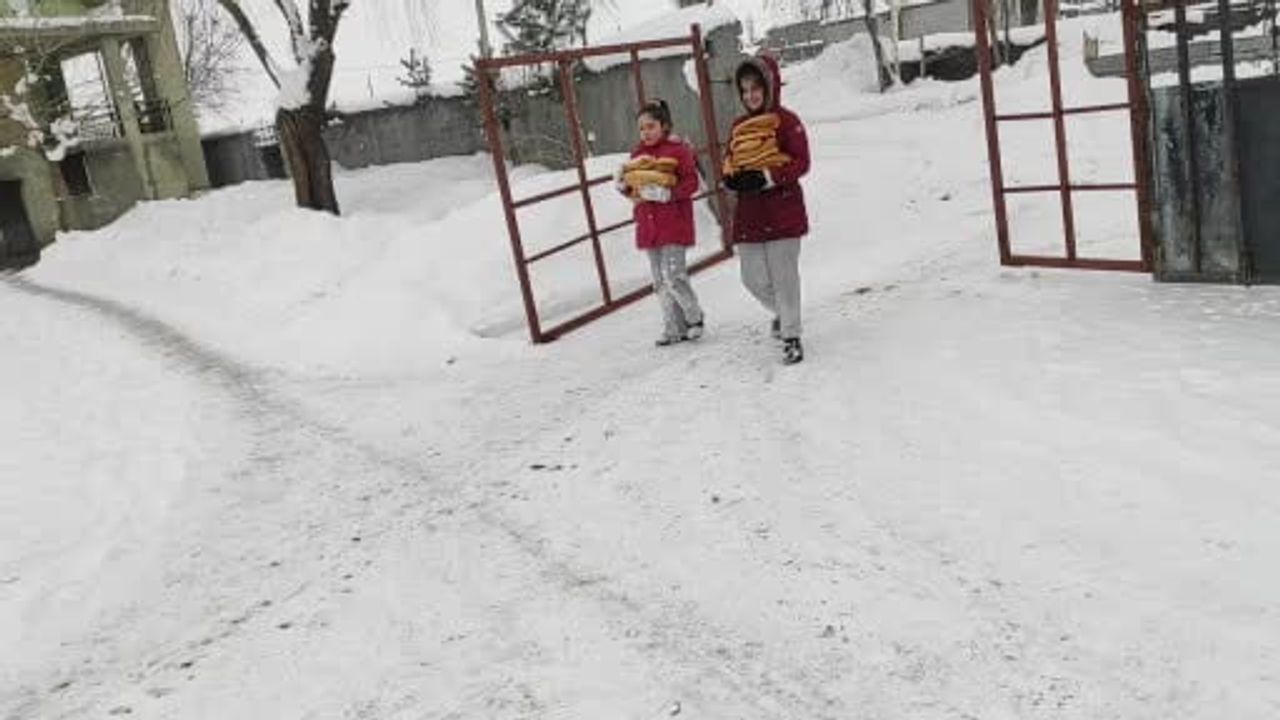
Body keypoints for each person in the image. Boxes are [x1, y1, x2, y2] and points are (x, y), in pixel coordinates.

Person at [722, 54, 811, 365]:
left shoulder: (787, 121)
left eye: (756, 88)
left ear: (770, 86)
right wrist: (731, 178)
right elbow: (730, 159)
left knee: (784, 278)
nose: (750, 96)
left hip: (783, 211)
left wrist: (769, 177)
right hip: (750, 215)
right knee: (752, 278)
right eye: (744, 90)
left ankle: (791, 335)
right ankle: (783, 313)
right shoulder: (739, 126)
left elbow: (802, 162)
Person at [615, 98, 705, 346]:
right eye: (641, 128)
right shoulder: (636, 156)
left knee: (674, 276)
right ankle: (673, 328)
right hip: (649, 226)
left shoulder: (677, 151)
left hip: (674, 224)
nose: (646, 132)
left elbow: (692, 183)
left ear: (663, 126)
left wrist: (668, 194)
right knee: (660, 282)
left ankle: (695, 318)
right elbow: (634, 189)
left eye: (651, 126)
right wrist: (624, 188)